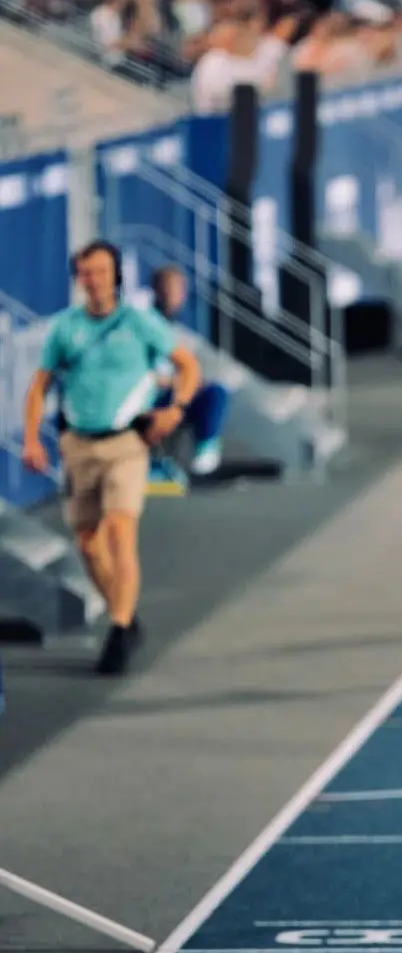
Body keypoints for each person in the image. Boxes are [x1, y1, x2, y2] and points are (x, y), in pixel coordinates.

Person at [21, 241, 202, 675]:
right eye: (86, 273)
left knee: (120, 529)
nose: (94, 281)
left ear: (116, 275)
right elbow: (39, 387)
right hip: (79, 443)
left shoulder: (140, 323)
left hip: (127, 443)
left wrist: (175, 409)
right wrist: (31, 439)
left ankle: (118, 630)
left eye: (101, 271)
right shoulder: (66, 328)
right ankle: (126, 614)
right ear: (78, 279)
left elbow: (188, 366)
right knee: (88, 543)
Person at [150, 266, 230, 477]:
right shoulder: (145, 326)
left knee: (215, 392)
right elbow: (144, 376)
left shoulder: (177, 331)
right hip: (148, 399)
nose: (174, 296)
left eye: (178, 290)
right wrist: (179, 382)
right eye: (168, 289)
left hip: (174, 397)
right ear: (157, 291)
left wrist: (191, 382)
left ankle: (206, 447)